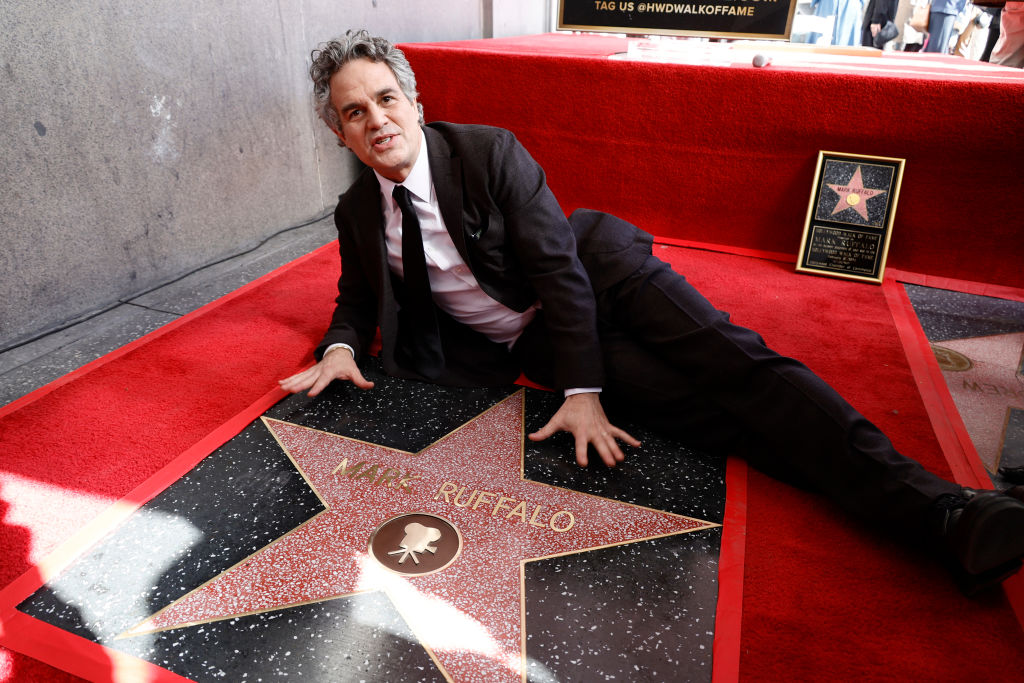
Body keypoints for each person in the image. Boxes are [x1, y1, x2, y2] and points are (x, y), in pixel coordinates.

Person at [280, 30, 1024, 595]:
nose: (375, 119)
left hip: (601, 277)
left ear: (415, 102)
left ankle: (944, 510)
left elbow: (560, 270)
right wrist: (343, 344)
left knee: (739, 366)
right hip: (539, 342)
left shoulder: (488, 154)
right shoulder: (355, 211)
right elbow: (356, 292)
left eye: (385, 98)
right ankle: (917, 518)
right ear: (339, 132)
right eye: (354, 111)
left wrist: (581, 391)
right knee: (707, 414)